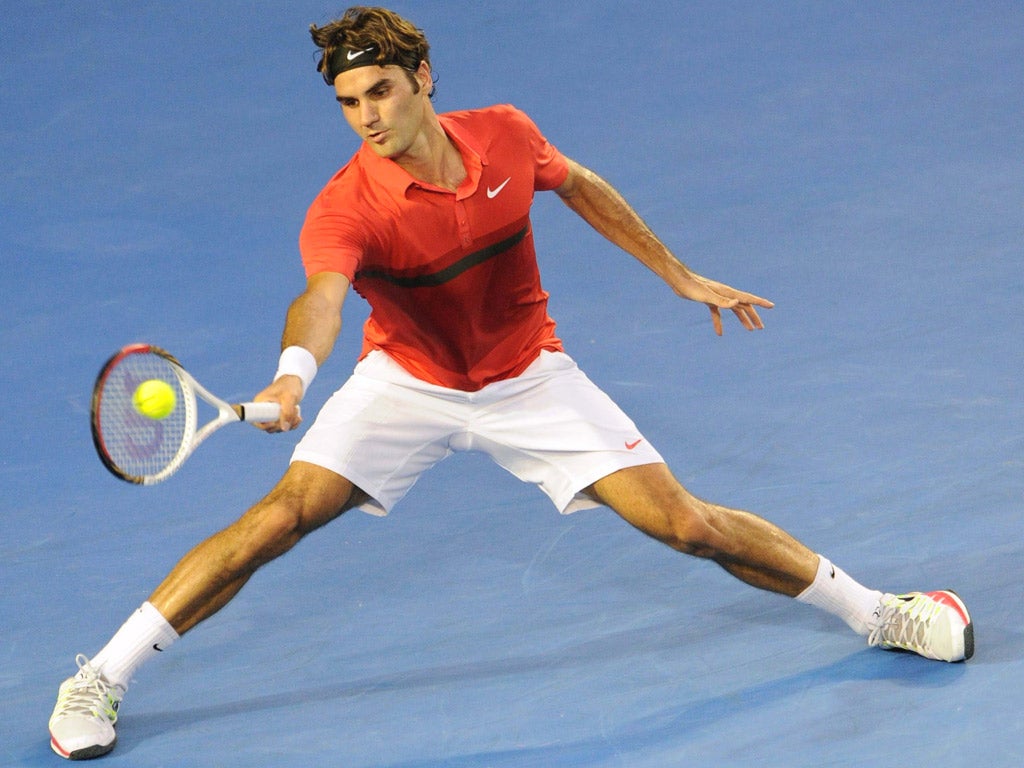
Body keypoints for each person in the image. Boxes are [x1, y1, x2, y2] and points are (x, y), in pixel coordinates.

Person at [48, 6, 974, 761]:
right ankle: (103, 676)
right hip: (405, 384)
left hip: (529, 375)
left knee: (686, 524)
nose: (367, 115)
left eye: (380, 91)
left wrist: (677, 273)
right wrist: (294, 378)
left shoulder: (505, 136)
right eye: (346, 102)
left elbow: (574, 184)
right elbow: (320, 303)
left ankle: (879, 612)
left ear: (423, 81)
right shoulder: (344, 208)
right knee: (279, 518)